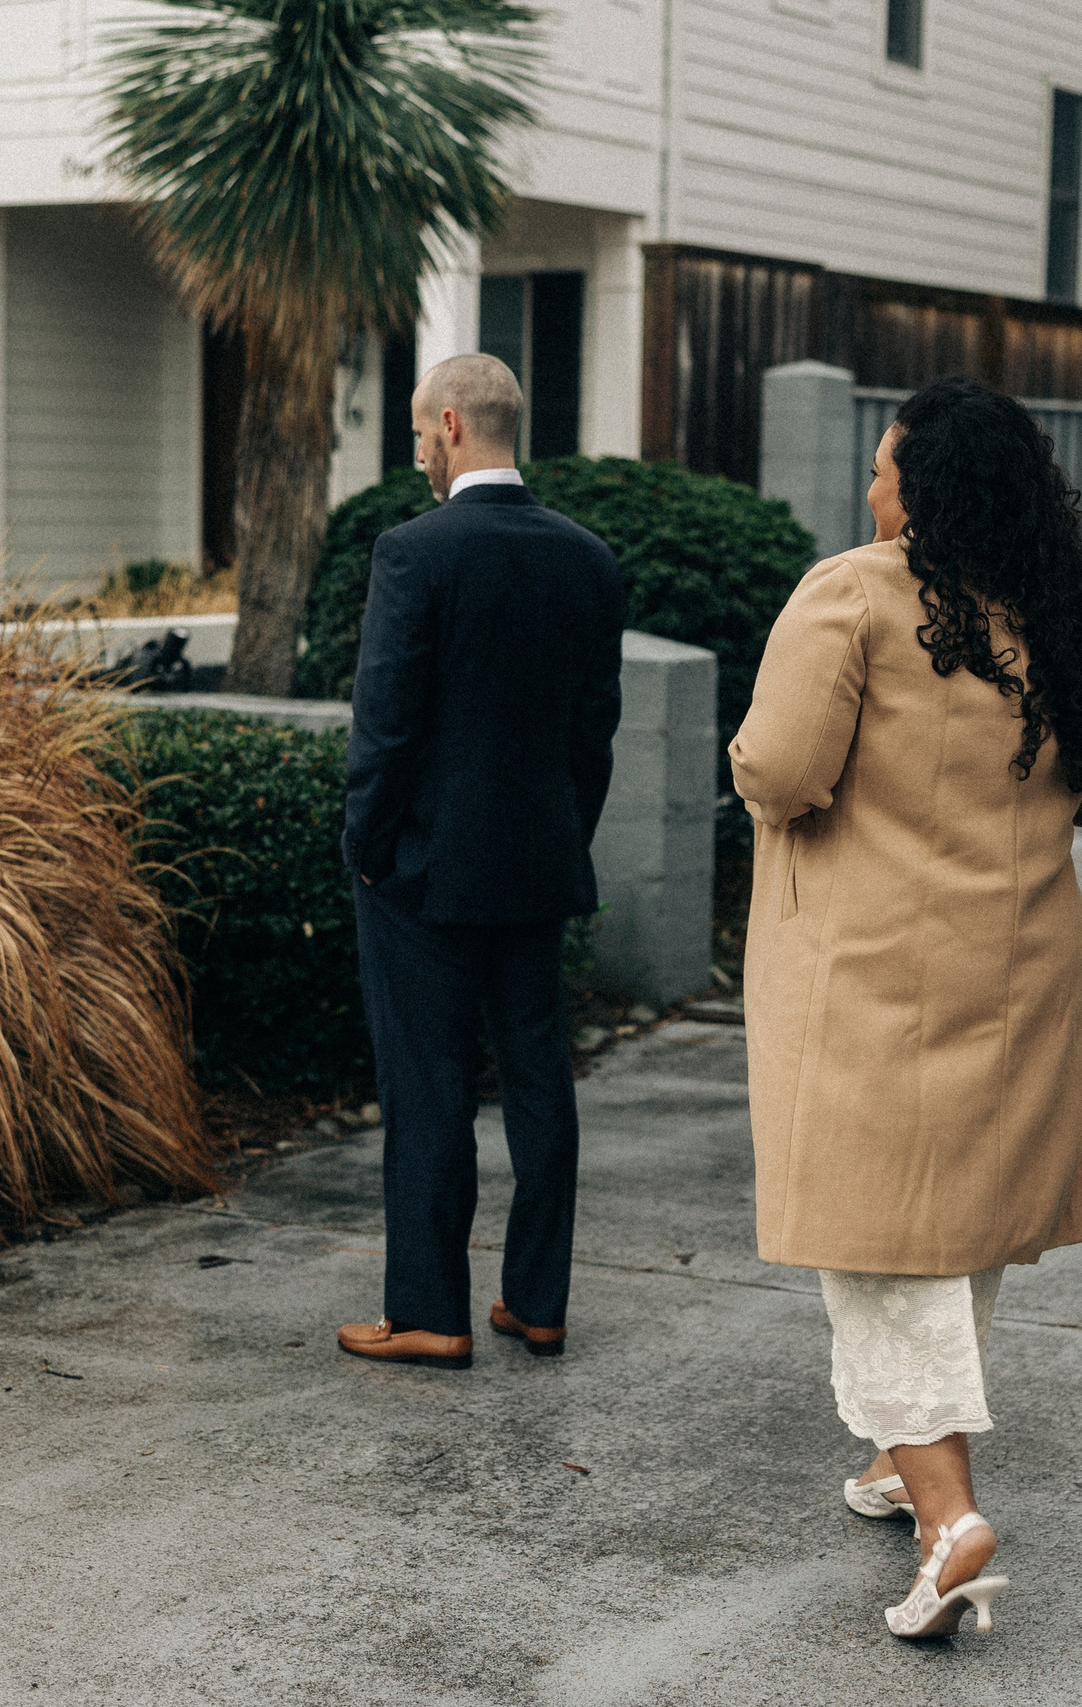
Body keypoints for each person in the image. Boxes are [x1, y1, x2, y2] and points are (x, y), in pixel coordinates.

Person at [726, 376, 1082, 1638]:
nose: (867, 490)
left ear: (920, 492)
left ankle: (948, 1521)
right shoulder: (1066, 602)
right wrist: (1032, 810)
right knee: (957, 1225)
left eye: (882, 472)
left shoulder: (856, 592)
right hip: (1025, 971)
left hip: (872, 981)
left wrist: (782, 794)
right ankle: (894, 1458)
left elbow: (777, 766)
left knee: (880, 1252)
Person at [334, 353, 626, 1371]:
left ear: (452, 425)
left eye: (419, 431)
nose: (416, 449)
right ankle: (537, 1304)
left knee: (429, 1085)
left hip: (424, 874)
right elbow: (595, 733)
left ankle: (426, 1312)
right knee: (540, 1079)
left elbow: (385, 727)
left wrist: (366, 850)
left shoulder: (414, 553)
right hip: (538, 866)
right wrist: (563, 834)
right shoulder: (587, 558)